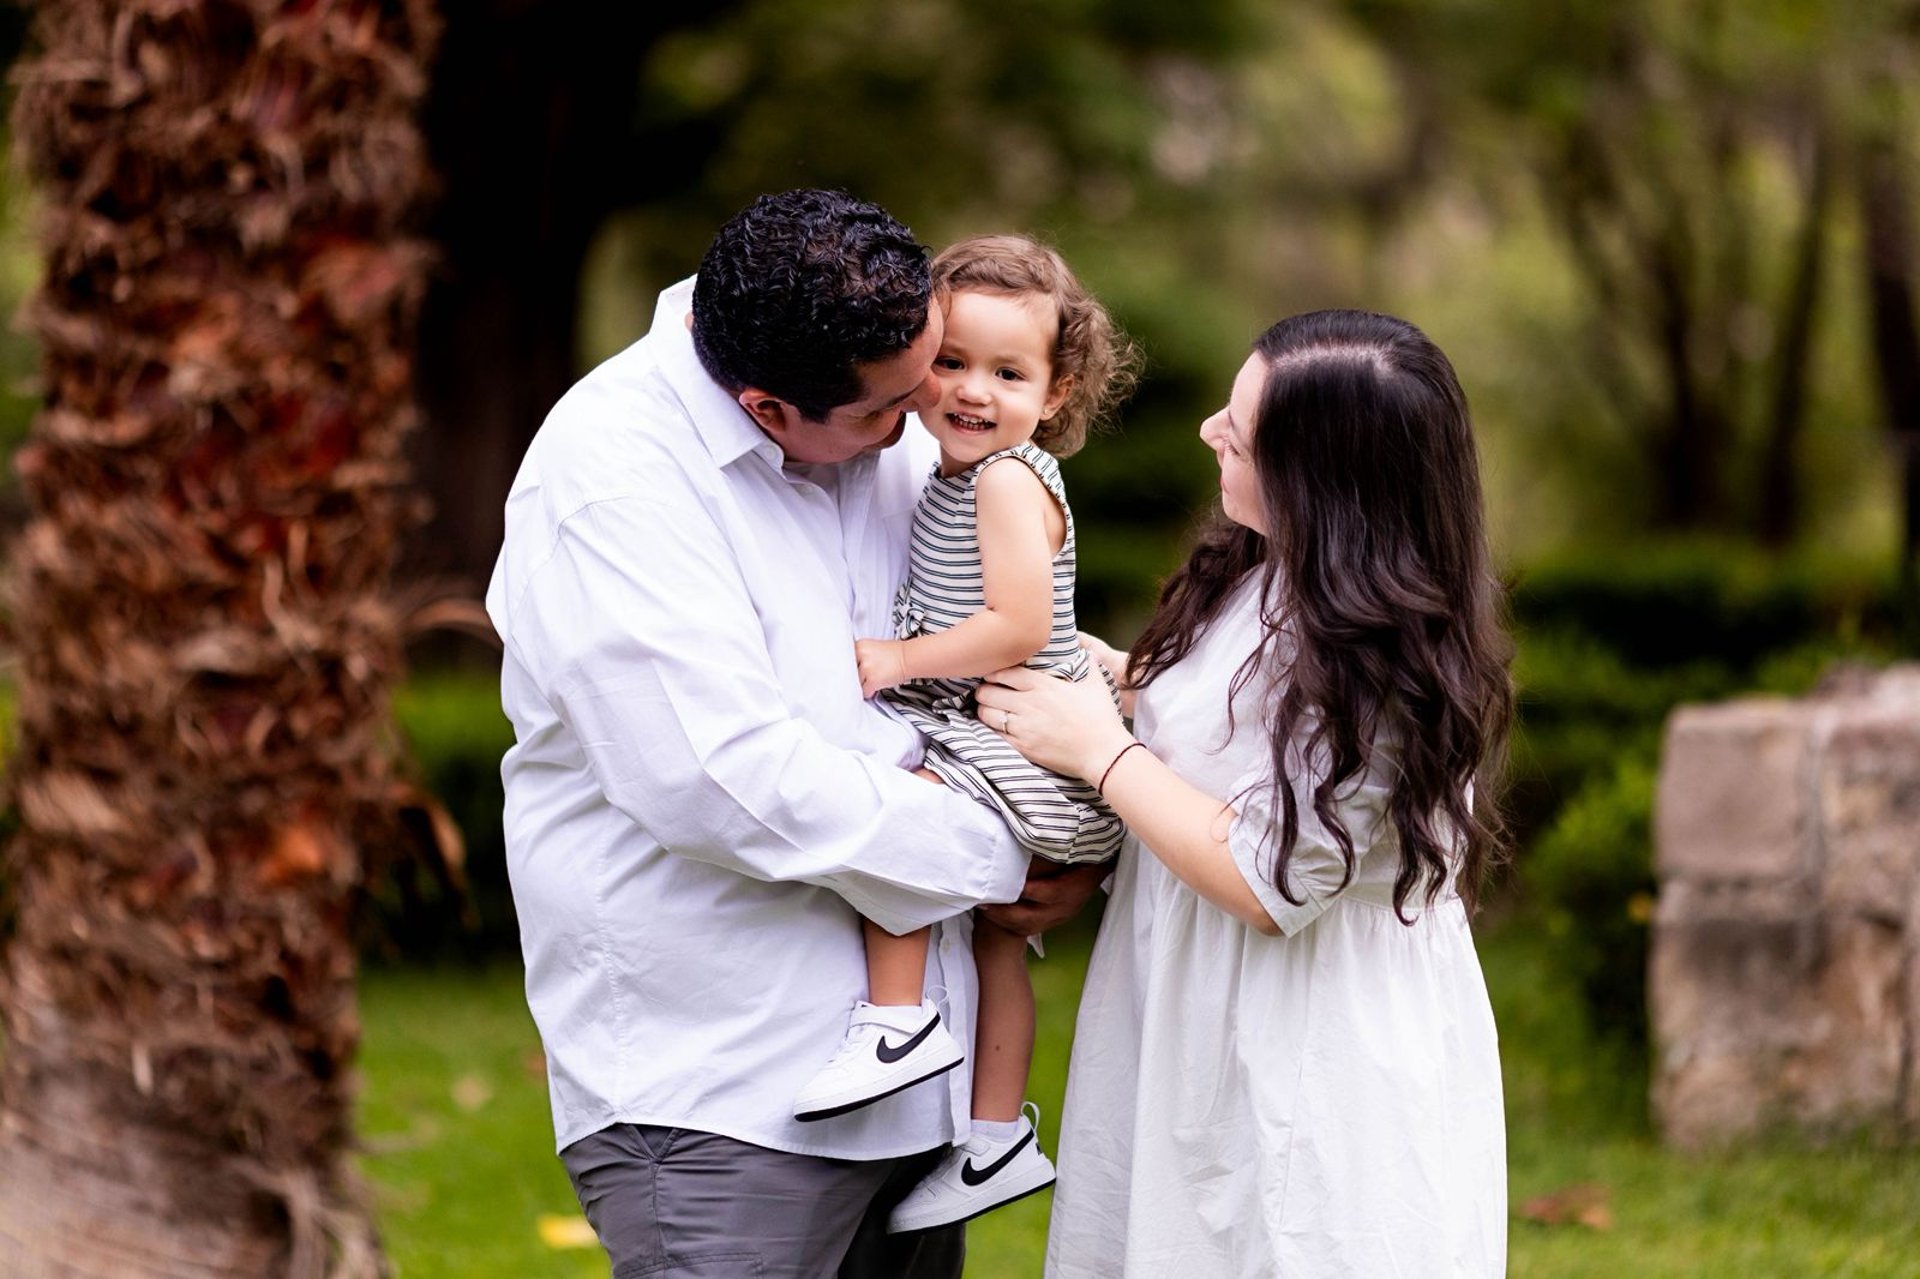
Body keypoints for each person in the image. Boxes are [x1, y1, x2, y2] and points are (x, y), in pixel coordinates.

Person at [485, 190, 1094, 1279]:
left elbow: (980, 625)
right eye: (889, 409)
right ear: (766, 408)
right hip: (728, 1085)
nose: (927, 417)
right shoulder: (614, 476)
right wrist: (1010, 849)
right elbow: (721, 779)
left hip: (919, 1081)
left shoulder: (882, 400)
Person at [976, 309, 1513, 1277]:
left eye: (1242, 425)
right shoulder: (1264, 570)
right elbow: (1213, 722)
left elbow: (1272, 882)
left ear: (1322, 480)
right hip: (1190, 1008)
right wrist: (1101, 681)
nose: (1209, 431)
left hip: (1304, 1036)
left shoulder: (1386, 661)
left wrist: (1101, 753)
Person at [789, 235, 1138, 1235]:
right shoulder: (956, 474)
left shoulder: (1002, 482)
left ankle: (896, 1024)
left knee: (904, 817)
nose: (972, 390)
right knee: (996, 945)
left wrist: (898, 659)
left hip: (1029, 735)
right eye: (951, 362)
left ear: (1058, 391)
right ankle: (994, 1140)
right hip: (1014, 726)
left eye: (1008, 372)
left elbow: (1023, 629)